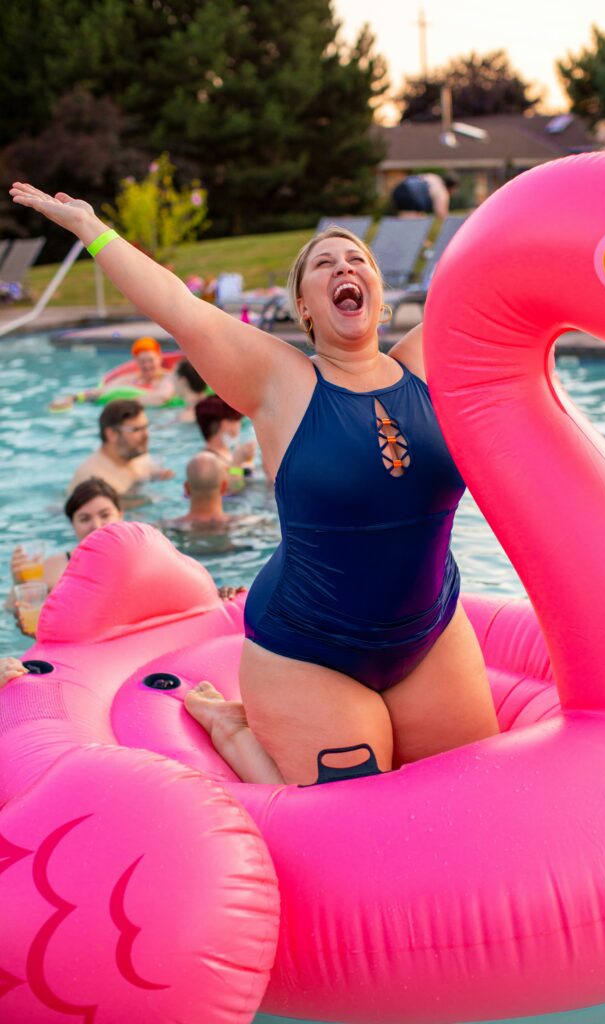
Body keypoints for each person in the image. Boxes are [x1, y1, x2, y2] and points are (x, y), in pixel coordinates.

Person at [9, 181, 500, 787]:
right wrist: (91, 228)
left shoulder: (430, 360)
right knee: (344, 813)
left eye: (357, 261)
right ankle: (232, 728)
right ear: (305, 308)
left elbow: (500, 280)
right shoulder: (280, 380)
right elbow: (180, 308)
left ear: (379, 292)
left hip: (430, 633)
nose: (344, 267)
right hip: (310, 649)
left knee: (477, 789)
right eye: (324, 264)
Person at [7, 478, 124, 635]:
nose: (96, 525)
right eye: (84, 519)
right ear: (72, 523)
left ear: (120, 515)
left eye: (105, 515)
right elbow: (10, 609)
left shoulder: (139, 559)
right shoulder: (57, 566)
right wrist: (19, 582)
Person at [67, 398, 174, 498]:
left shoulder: (136, 454)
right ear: (112, 434)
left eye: (146, 427)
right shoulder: (95, 481)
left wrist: (158, 476)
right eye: (136, 429)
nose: (146, 435)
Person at [50, 336, 175, 411]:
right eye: (142, 361)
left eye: (150, 360)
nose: (147, 365)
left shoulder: (169, 378)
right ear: (136, 362)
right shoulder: (130, 379)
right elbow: (102, 391)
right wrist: (72, 398)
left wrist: (121, 401)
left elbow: (162, 397)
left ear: (160, 358)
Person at [195, 394, 257, 484]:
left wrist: (248, 461)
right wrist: (237, 462)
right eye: (237, 420)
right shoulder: (206, 463)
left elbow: (233, 473)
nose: (239, 426)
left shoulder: (226, 455)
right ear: (225, 425)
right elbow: (232, 490)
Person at [391, 172, 459, 219]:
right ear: (452, 188)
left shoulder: (435, 178)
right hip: (411, 194)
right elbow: (441, 214)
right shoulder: (442, 191)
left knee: (406, 219)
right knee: (414, 222)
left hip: (399, 189)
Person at [173, 358, 209, 423]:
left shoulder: (188, 417)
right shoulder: (212, 404)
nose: (172, 381)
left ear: (182, 380)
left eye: (174, 376)